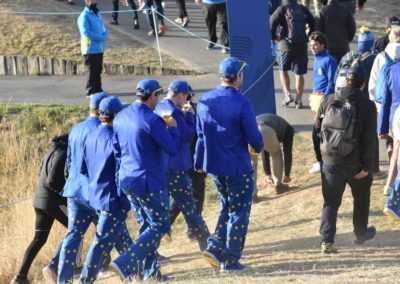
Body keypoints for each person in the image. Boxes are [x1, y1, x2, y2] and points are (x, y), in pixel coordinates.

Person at [195, 57, 264, 271]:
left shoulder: (205, 99)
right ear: (238, 77)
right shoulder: (242, 102)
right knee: (239, 212)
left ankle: (215, 247)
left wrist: (198, 161)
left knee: (227, 206)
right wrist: (260, 146)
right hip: (237, 165)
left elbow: (200, 135)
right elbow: (254, 137)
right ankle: (231, 259)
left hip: (215, 165)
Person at [110, 79, 180, 282]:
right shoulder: (152, 120)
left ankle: (151, 273)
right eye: (157, 96)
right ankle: (125, 262)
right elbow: (172, 149)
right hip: (149, 181)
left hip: (128, 179)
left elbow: (117, 150)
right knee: (160, 224)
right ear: (152, 97)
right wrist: (173, 128)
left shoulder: (121, 116)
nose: (158, 100)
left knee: (146, 226)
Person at [315, 64, 377, 254]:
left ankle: (326, 241)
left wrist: (321, 159)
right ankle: (360, 233)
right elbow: (369, 138)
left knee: (331, 202)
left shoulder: (329, 100)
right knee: (361, 196)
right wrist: (367, 166)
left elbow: (316, 131)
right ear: (363, 84)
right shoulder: (367, 105)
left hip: (330, 162)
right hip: (355, 163)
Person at [79, 96, 132, 283]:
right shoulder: (116, 138)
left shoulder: (91, 136)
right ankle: (85, 280)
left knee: (122, 238)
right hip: (112, 199)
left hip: (96, 196)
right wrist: (125, 202)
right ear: (116, 115)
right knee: (101, 243)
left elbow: (83, 169)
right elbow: (121, 174)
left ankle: (136, 272)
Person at [57, 92, 108, 284]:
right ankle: (134, 268)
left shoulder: (76, 128)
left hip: (74, 189)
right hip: (94, 192)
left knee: (73, 235)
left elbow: (69, 161)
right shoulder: (102, 130)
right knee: (112, 231)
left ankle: (64, 279)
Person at [154, 80, 210, 249]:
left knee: (169, 204)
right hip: (177, 164)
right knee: (189, 204)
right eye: (185, 96)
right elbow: (187, 135)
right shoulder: (176, 112)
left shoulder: (161, 107)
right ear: (179, 95)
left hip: (162, 163)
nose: (186, 100)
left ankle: (158, 239)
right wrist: (190, 116)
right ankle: (205, 241)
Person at [11, 135, 69, 284]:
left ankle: (20, 277)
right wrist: (66, 195)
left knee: (39, 239)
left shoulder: (51, 149)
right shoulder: (63, 152)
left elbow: (41, 174)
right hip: (52, 202)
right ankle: (54, 268)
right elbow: (52, 181)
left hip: (39, 201)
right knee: (76, 228)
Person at [169, 87, 207, 240]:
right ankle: (192, 229)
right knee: (193, 194)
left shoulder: (175, 112)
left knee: (184, 194)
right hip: (191, 158)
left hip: (182, 160)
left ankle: (170, 224)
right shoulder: (191, 112)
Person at [270, 0, 315, 109]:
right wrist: (309, 35)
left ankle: (287, 95)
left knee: (283, 70)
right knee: (299, 74)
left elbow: (271, 23)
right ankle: (298, 100)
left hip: (284, 46)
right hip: (301, 45)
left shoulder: (281, 9)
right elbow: (313, 21)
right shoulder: (302, 8)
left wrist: (274, 38)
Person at [371, 27, 400, 195]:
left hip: (393, 114)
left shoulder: (384, 62)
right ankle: (393, 189)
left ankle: (389, 185)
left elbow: (384, 97)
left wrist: (381, 127)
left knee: (396, 146)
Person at [308, 31, 337, 174]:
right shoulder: (317, 58)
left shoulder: (329, 59)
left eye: (315, 45)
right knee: (318, 131)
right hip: (315, 98)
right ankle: (321, 160)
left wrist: (324, 99)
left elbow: (331, 82)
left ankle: (323, 161)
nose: (312, 48)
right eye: (311, 45)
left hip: (323, 100)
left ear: (322, 45)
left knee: (319, 132)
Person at [251, 113, 294, 200]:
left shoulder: (277, 123)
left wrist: (268, 174)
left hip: (251, 130)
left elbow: (264, 148)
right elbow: (287, 152)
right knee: (276, 153)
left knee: (253, 164)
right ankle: (279, 185)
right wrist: (287, 175)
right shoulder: (289, 130)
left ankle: (253, 195)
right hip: (265, 129)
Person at [77, 0, 108, 96]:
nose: (94, 2)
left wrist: (105, 34)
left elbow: (102, 28)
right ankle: (90, 91)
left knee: (98, 70)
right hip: (90, 49)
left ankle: (98, 89)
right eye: (92, 1)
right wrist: (100, 38)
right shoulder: (84, 15)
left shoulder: (98, 14)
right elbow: (86, 32)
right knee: (91, 71)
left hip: (99, 48)